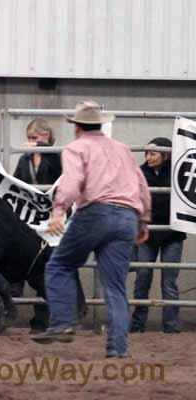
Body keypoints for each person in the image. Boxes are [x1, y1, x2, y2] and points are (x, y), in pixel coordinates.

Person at [31, 100, 151, 359]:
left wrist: (58, 210)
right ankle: (118, 350)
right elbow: (141, 183)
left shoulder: (76, 148)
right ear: (100, 123)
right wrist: (143, 220)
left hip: (96, 213)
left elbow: (73, 182)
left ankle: (63, 323)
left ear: (77, 127)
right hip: (127, 216)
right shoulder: (122, 148)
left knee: (59, 265)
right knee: (115, 287)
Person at [130, 137, 186, 334]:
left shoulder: (179, 171)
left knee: (169, 281)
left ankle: (170, 326)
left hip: (173, 234)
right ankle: (137, 325)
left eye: (153, 153)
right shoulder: (140, 172)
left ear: (166, 155)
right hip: (148, 234)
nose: (148, 156)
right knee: (142, 278)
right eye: (146, 153)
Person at [11, 118, 61, 333]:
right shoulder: (24, 160)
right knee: (28, 266)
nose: (31, 142)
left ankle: (42, 320)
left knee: (47, 272)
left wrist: (41, 148)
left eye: (36, 138)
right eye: (29, 138)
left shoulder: (58, 157)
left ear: (47, 138)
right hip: (30, 221)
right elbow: (14, 183)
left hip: (52, 221)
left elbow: (62, 178)